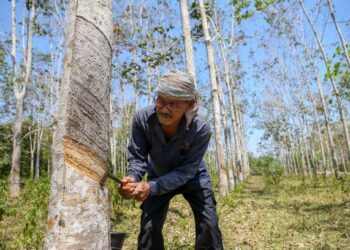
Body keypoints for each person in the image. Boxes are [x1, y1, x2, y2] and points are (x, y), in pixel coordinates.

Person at [118, 70, 223, 250]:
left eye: (173, 104)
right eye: (160, 100)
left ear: (189, 104)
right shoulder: (142, 119)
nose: (164, 109)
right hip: (158, 175)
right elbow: (137, 157)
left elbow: (187, 171)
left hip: (194, 178)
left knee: (209, 225)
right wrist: (132, 178)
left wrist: (151, 187)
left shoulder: (201, 129)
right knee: (148, 229)